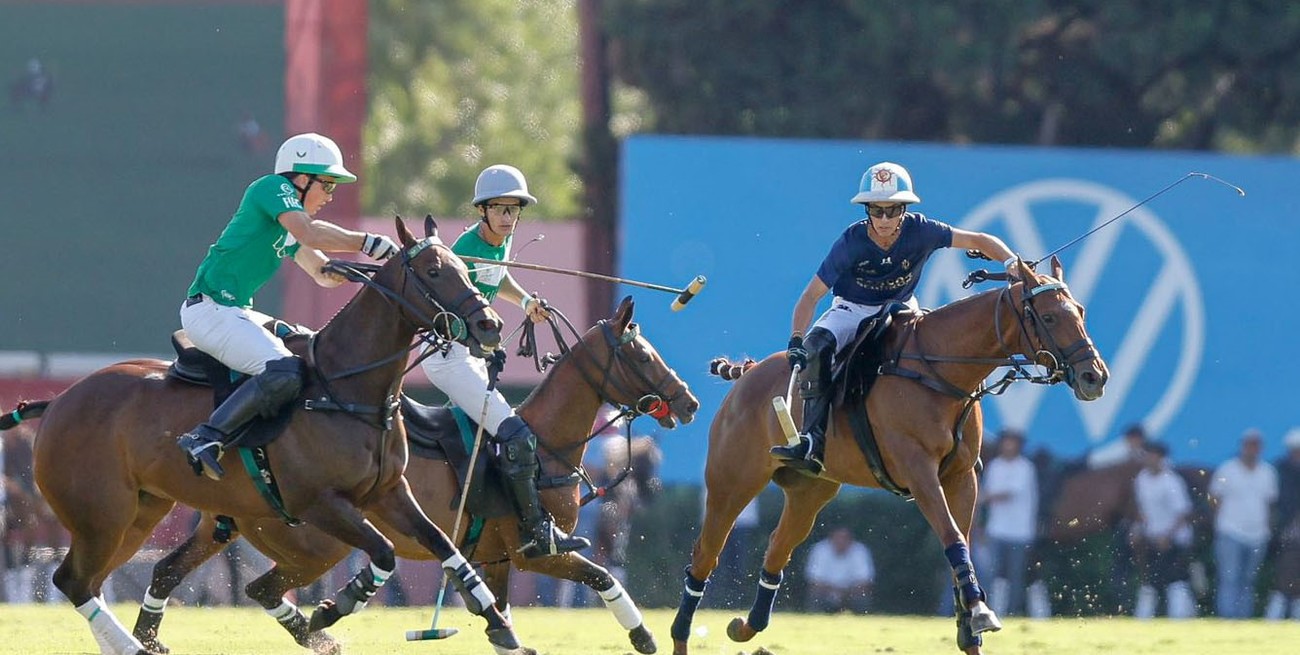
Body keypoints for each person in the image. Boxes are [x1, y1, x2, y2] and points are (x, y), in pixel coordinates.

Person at [177, 132, 400, 480]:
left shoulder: (288, 226)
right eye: (326, 184)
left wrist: (345, 270)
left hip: (235, 312)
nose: (329, 195)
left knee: (309, 347)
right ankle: (206, 438)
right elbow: (310, 232)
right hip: (209, 311)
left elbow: (321, 272)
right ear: (300, 178)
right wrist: (367, 242)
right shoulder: (269, 189)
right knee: (284, 370)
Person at [771, 161, 1018, 474]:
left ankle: (961, 442)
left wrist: (1012, 262)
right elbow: (811, 296)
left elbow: (979, 240)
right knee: (817, 349)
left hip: (901, 308)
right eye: (877, 211)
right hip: (852, 310)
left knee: (943, 349)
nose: (884, 220)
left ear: (904, 210)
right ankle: (813, 440)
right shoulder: (851, 242)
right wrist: (796, 339)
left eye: (893, 211)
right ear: (867, 211)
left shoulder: (922, 230)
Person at [419, 164, 588, 559]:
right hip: (449, 355)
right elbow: (443, 306)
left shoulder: (501, 243)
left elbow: (499, 279)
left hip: (470, 357)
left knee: (494, 441)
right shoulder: (464, 251)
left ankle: (489, 528)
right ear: (482, 211)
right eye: (499, 209)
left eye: (514, 209)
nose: (508, 217)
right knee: (516, 434)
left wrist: (527, 302)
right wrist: (480, 339)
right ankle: (536, 531)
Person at [1209, 429, 1279, 618]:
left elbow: (1270, 503)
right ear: (1242, 446)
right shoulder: (1227, 469)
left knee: (1248, 579)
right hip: (1230, 530)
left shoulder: (1267, 472)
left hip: (1258, 534)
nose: (1252, 449)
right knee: (1229, 577)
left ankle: (1243, 617)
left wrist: (1268, 528)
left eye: (1256, 445)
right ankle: (1228, 616)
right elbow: (1214, 498)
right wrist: (1221, 520)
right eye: (1249, 445)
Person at [1131, 441, 1196, 619]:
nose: (1149, 459)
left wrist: (1168, 536)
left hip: (1176, 539)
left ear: (1161, 458)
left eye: (1153, 455)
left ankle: (1180, 617)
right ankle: (1144, 617)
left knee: (1176, 579)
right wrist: (1138, 530)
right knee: (1150, 581)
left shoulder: (1172, 481)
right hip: (1153, 538)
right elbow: (1142, 510)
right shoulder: (1142, 479)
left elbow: (1183, 514)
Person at [978, 429, 1038, 617]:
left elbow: (1009, 493)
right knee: (991, 575)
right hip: (996, 529)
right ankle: (991, 611)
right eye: (1006, 441)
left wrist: (982, 497)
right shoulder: (995, 466)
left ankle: (1013, 612)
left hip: (1019, 531)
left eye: (1012, 442)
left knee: (1015, 576)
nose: (1008, 445)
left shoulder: (1025, 467)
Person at [1266, 428, 1300, 620]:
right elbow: (1280, 503)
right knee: (1284, 581)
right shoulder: (1281, 471)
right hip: (1288, 535)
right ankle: (1275, 619)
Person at [803, 526, 875, 613]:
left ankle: (863, 618)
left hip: (851, 594)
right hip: (825, 593)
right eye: (838, 537)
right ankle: (813, 617)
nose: (841, 541)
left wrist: (844, 594)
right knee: (815, 595)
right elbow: (814, 581)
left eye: (845, 538)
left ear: (850, 539)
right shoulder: (820, 550)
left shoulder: (860, 551)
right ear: (831, 538)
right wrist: (834, 592)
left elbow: (864, 582)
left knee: (862, 598)